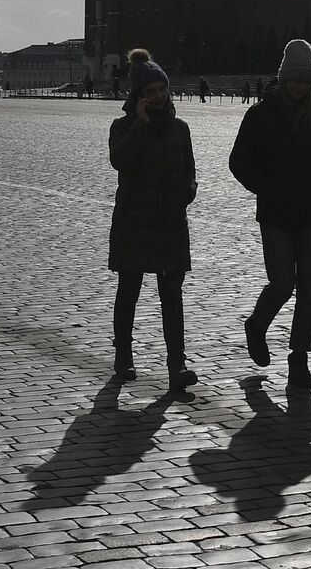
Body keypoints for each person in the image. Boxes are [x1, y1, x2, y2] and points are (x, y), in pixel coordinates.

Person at [229, 39, 311, 390]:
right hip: (276, 214)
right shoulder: (260, 115)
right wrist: (266, 187)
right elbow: (239, 161)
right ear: (283, 80)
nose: (298, 87)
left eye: (304, 80)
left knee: (310, 290)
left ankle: (299, 359)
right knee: (283, 283)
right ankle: (257, 324)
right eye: (293, 79)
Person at [108, 48, 199, 393]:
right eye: (150, 92)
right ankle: (124, 355)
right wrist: (142, 127)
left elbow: (190, 169)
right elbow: (121, 161)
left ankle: (177, 365)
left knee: (172, 297)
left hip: (170, 222)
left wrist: (187, 191)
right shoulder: (122, 127)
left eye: (161, 89)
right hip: (134, 220)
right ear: (138, 97)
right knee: (128, 291)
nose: (158, 96)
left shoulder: (180, 128)